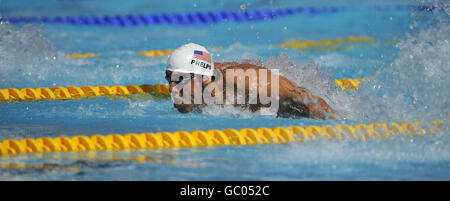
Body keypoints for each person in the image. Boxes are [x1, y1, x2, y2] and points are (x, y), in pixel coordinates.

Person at [165, 43, 338, 120]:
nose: (172, 89)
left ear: (203, 78)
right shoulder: (197, 88)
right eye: (170, 79)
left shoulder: (246, 82)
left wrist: (339, 124)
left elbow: (306, 99)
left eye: (180, 79)